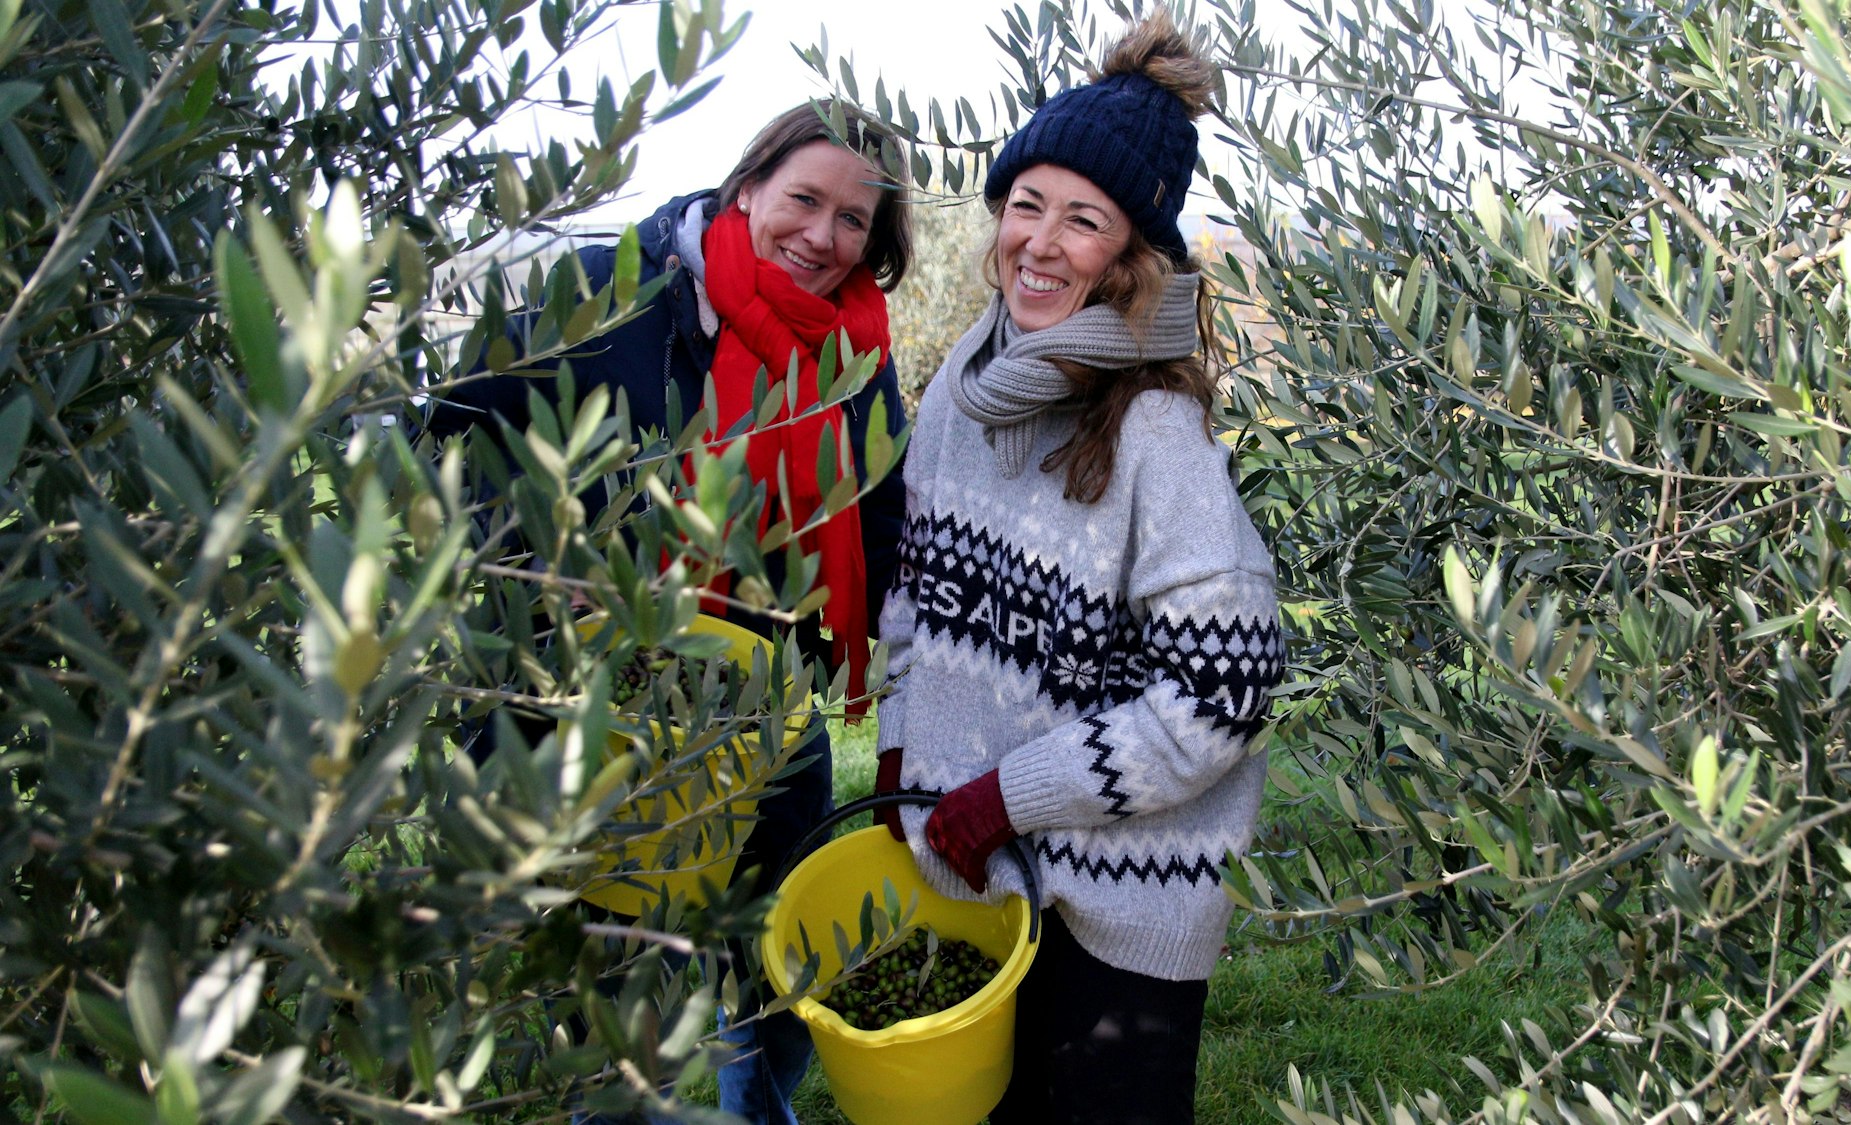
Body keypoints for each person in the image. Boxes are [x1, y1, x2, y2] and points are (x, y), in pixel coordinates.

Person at [428, 101, 914, 1125]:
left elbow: (883, 519)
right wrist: (531, 561)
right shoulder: (618, 294)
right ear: (747, 187)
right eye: (804, 201)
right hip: (606, 704)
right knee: (613, 973)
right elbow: (453, 424)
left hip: (766, 705)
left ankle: (758, 1110)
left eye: (851, 222)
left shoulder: (854, 351)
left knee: (782, 944)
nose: (821, 238)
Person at [870, 11, 1283, 1123]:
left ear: (1133, 256)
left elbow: (1223, 694)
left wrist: (1007, 795)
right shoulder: (962, 379)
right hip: (979, 873)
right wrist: (900, 744)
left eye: (1083, 221)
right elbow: (918, 586)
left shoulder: (1154, 429)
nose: (1039, 244)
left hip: (1120, 909)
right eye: (1025, 205)